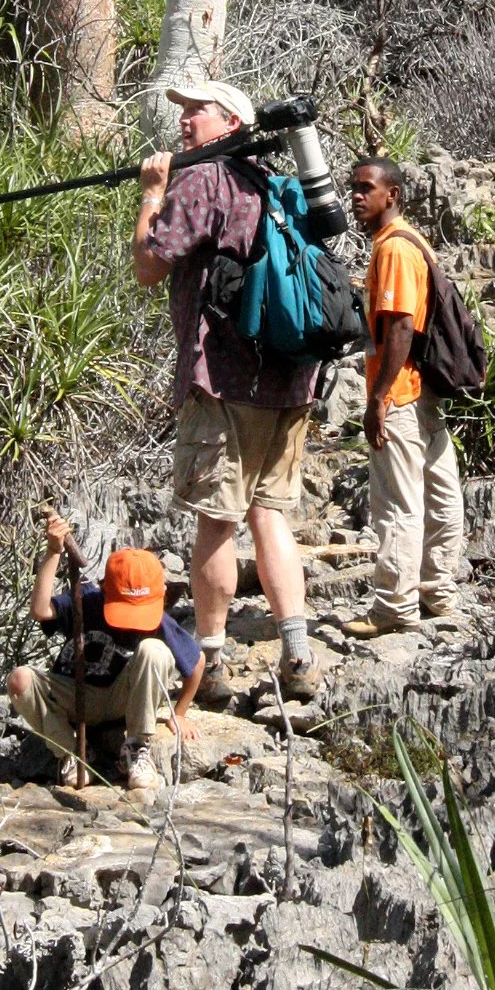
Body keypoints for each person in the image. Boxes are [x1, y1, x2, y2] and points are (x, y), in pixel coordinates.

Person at [133, 78, 325, 708]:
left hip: (223, 379)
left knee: (217, 518)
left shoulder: (204, 180)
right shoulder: (274, 183)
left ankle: (208, 663)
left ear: (231, 122)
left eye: (197, 112)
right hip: (292, 378)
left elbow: (149, 265)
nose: (185, 122)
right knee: (270, 514)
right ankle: (297, 654)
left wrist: (151, 196)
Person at [341, 155, 465, 637]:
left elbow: (400, 327)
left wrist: (378, 398)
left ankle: (395, 606)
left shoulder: (393, 249)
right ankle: (438, 590)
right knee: (441, 491)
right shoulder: (416, 240)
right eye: (353, 187)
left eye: (366, 188)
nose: (356, 196)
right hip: (424, 390)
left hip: (403, 394)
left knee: (397, 503)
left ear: (391, 194)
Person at [7, 514, 203, 795]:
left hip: (120, 700)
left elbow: (196, 663)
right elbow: (40, 610)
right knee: (20, 679)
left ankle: (136, 747)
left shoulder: (158, 619)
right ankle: (73, 754)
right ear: (103, 588)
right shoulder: (86, 599)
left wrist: (180, 713)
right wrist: (53, 552)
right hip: (74, 695)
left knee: (154, 651)